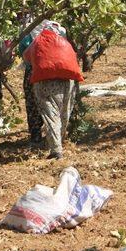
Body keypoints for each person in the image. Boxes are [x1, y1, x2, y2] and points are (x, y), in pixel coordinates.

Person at [23, 24, 83, 160]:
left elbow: (26, 57)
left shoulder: (37, 41)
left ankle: (56, 150)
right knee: (64, 114)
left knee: (51, 115)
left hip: (45, 83)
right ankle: (58, 142)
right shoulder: (65, 42)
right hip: (67, 82)